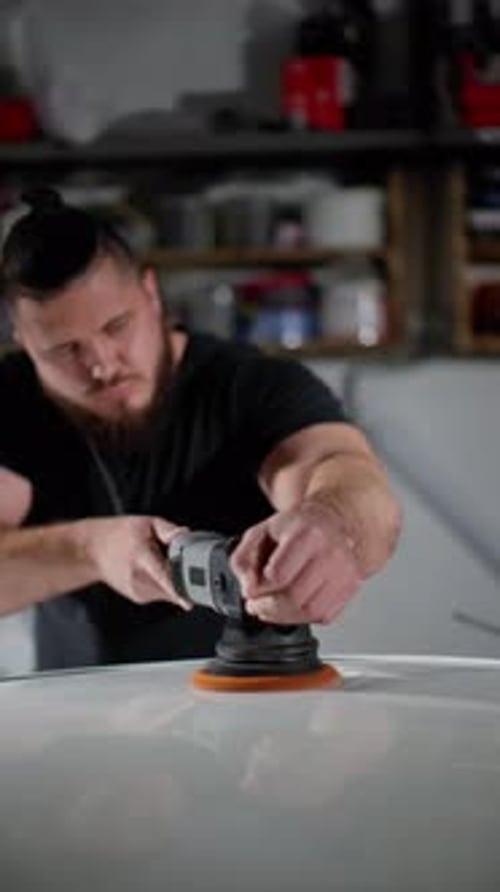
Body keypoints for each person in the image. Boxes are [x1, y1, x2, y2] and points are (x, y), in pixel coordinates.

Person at [0, 188, 402, 671]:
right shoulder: (12, 401)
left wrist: (332, 522)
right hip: (77, 706)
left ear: (151, 294)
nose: (102, 365)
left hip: (247, 701)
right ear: (23, 342)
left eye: (117, 327)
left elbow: (343, 473)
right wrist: (92, 549)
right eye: (65, 350)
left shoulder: (248, 386)